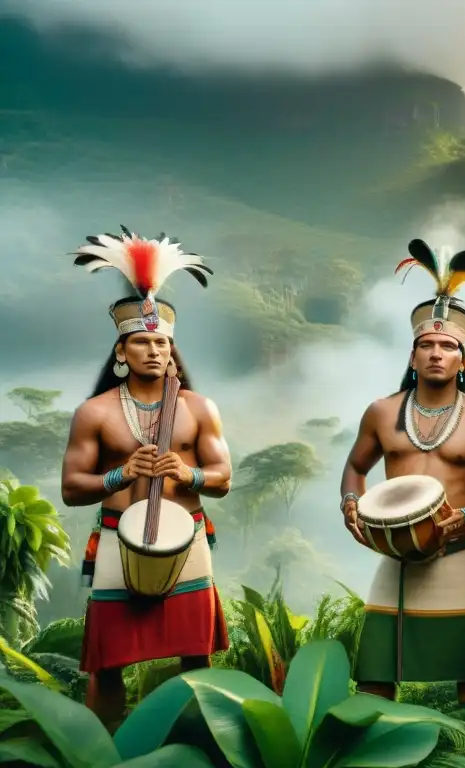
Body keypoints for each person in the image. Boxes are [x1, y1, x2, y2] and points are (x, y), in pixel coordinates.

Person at [60, 227, 231, 731]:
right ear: (121, 352)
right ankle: (105, 754)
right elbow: (72, 488)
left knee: (195, 657)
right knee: (107, 663)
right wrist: (119, 474)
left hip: (187, 537)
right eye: (141, 342)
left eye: (161, 342)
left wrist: (190, 472)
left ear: (172, 350)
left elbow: (223, 478)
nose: (153, 351)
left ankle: (199, 749)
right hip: (118, 539)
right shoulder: (94, 413)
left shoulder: (200, 409)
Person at [340, 239, 465, 726]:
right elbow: (356, 466)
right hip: (394, 554)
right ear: (412, 357)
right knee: (375, 668)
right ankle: (371, 754)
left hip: (459, 551)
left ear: (463, 360)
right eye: (427, 346)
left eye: (448, 346)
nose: (437, 353)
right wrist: (351, 502)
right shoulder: (380, 412)